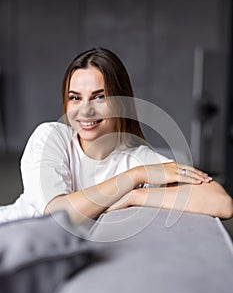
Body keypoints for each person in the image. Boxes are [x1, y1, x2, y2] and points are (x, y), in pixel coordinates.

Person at [0, 47, 232, 224]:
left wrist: (135, 197)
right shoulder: (50, 137)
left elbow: (221, 203)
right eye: (75, 98)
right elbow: (57, 214)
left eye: (100, 97)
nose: (85, 110)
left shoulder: (135, 157)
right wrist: (133, 178)